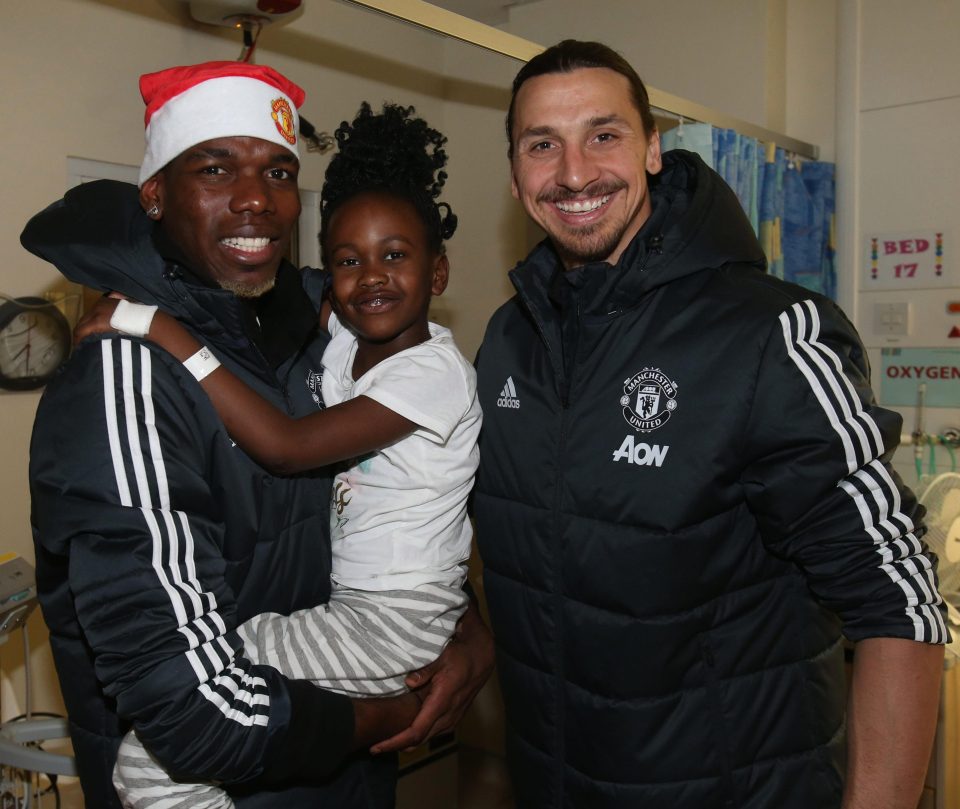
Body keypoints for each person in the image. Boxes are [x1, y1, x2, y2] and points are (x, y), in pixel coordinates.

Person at [472, 39, 949, 809]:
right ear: (516, 170)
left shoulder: (770, 335)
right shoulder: (508, 340)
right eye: (541, 145)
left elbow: (898, 599)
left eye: (604, 134)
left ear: (654, 148)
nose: (573, 173)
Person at [22, 62, 492, 808]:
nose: (255, 199)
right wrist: (390, 713)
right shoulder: (124, 376)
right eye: (215, 168)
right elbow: (192, 713)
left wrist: (466, 632)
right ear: (155, 194)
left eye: (277, 171)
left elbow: (408, 496)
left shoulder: (318, 324)